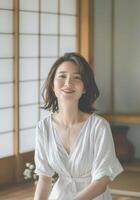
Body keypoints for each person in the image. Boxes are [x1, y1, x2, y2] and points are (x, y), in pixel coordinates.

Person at [34, 52, 123, 200]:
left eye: (77, 77)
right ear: (52, 84)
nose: (68, 83)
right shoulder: (43, 127)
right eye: (62, 76)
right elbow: (44, 178)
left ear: (85, 88)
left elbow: (102, 180)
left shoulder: (99, 127)